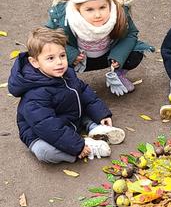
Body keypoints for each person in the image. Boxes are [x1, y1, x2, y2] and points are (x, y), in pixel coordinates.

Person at [8, 27, 126, 164]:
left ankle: (95, 129)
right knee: (45, 152)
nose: (59, 62)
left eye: (62, 56)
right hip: (41, 134)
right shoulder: (35, 95)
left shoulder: (66, 73)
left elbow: (84, 91)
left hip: (69, 119)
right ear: (35, 62)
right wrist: (78, 146)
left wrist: (101, 114)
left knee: (82, 109)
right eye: (50, 58)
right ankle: (87, 145)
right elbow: (48, 127)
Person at [46, 0, 154, 96]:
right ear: (77, 9)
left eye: (102, 7)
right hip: (79, 60)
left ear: (109, 4)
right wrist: (70, 54)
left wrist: (118, 55)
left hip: (108, 57)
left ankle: (117, 74)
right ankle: (66, 83)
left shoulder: (118, 13)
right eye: (89, 10)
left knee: (136, 53)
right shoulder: (64, 18)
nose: (97, 15)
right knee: (51, 60)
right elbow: (48, 39)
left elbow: (130, 34)